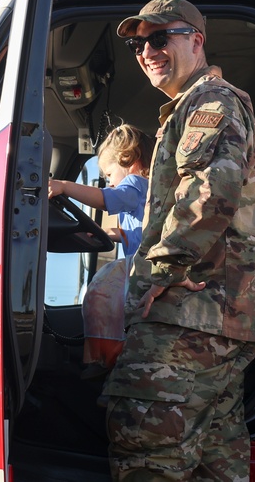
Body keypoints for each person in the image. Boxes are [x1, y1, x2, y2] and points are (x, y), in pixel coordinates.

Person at [101, 0, 255, 481]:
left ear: (196, 40)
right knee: (216, 462)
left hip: (193, 310)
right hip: (220, 314)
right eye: (139, 45)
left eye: (160, 38)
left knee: (145, 442)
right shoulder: (192, 107)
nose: (147, 52)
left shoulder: (210, 102)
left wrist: (160, 272)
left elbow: (208, 193)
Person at [48, 124, 153, 373]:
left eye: (108, 175)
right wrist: (106, 233)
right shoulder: (140, 192)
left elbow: (108, 200)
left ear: (129, 160)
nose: (109, 183)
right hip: (140, 263)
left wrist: (64, 186)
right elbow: (135, 233)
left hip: (142, 270)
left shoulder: (136, 183)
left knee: (102, 291)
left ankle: (106, 356)